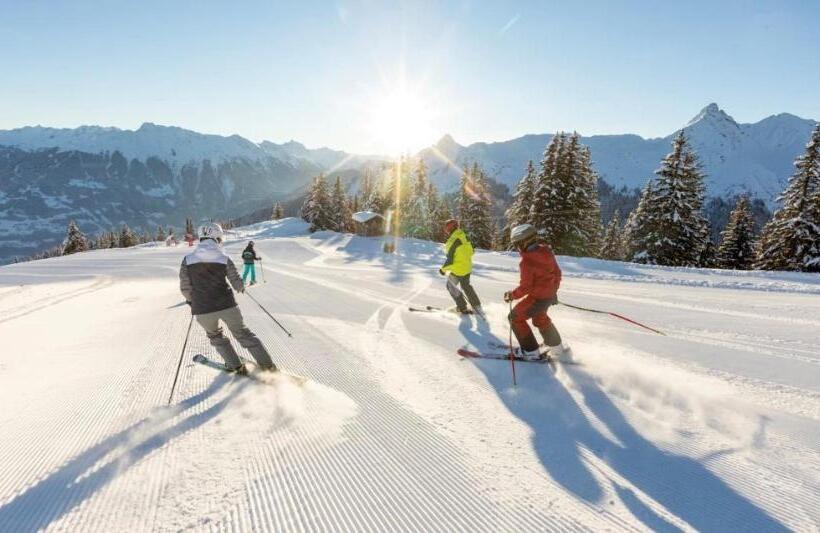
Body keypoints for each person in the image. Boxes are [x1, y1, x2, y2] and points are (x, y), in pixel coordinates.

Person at [179, 223, 276, 374]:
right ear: (216, 238)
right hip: (227, 306)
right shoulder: (223, 258)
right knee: (243, 335)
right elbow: (237, 283)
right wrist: (241, 287)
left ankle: (235, 366)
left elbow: (185, 288)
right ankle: (268, 367)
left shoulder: (188, 260)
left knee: (216, 336)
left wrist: (193, 301)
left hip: (203, 309)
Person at [503, 224, 572, 362]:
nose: (517, 248)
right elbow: (557, 273)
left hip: (537, 298)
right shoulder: (546, 252)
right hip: (548, 296)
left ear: (524, 242)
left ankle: (530, 351)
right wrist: (553, 291)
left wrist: (512, 295)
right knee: (540, 319)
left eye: (517, 244)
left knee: (515, 318)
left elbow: (525, 287)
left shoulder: (527, 262)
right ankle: (556, 348)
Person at [439, 219, 484, 317]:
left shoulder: (452, 241)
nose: (446, 230)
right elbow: (472, 251)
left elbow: (450, 260)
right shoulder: (464, 236)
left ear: (450, 228)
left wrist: (443, 270)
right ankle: (477, 306)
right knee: (466, 287)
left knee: (451, 286)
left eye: (447, 228)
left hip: (458, 269)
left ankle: (462, 307)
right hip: (467, 268)